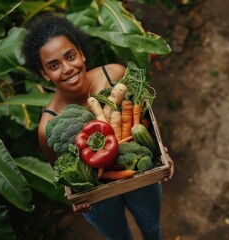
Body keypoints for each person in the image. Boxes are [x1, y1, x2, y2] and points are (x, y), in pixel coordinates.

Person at [22, 14, 174, 240]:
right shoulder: (48, 126)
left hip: (140, 172)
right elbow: (63, 172)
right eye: (53, 65)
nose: (67, 68)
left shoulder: (115, 75)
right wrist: (76, 197)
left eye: (70, 56)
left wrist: (163, 152)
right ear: (44, 74)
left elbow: (147, 118)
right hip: (99, 197)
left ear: (81, 54)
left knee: (152, 228)